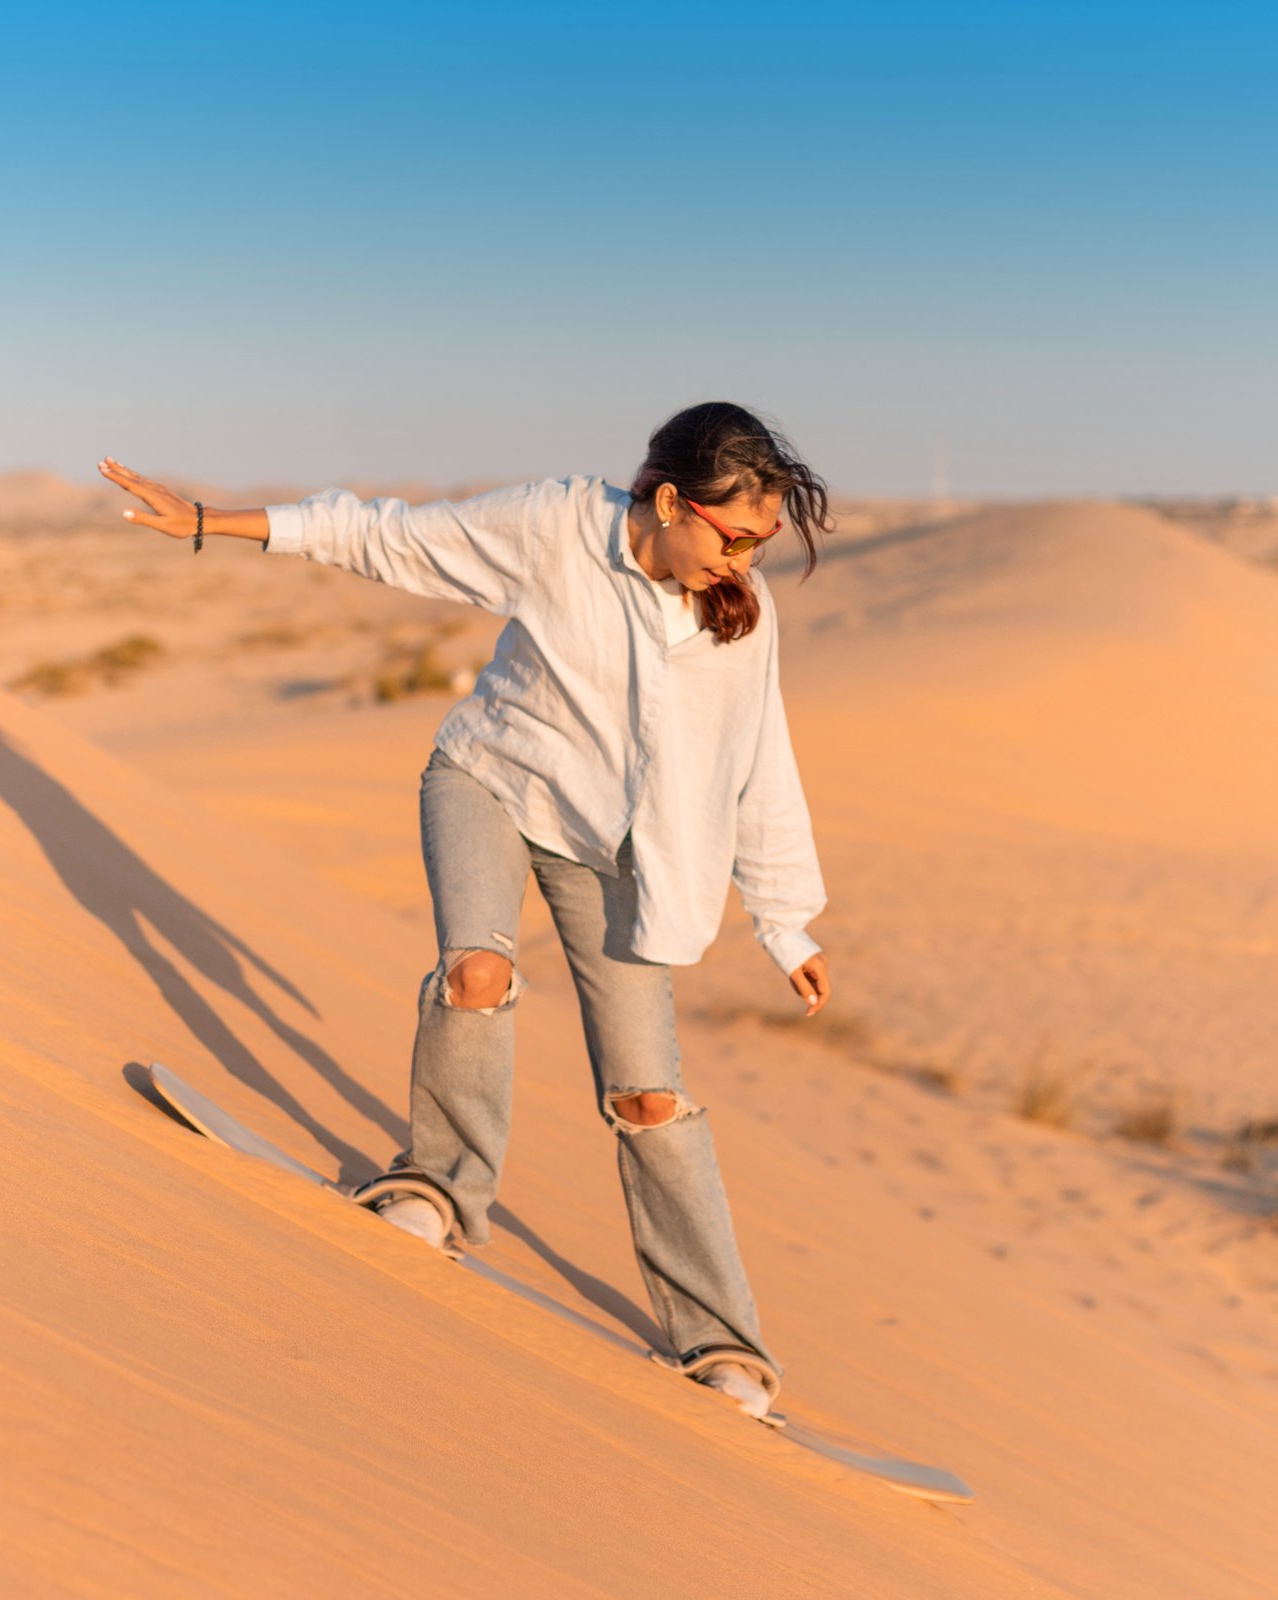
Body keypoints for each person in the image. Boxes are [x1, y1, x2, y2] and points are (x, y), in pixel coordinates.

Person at [99, 402, 832, 1418]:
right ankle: (436, 1187)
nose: (746, 559)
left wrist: (786, 920)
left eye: (763, 543)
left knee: (647, 1098)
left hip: (613, 851)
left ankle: (721, 1342)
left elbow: (761, 767)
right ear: (670, 501)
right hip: (488, 781)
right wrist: (211, 522)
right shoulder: (555, 526)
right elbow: (387, 536)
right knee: (477, 974)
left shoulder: (735, 618)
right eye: (735, 533)